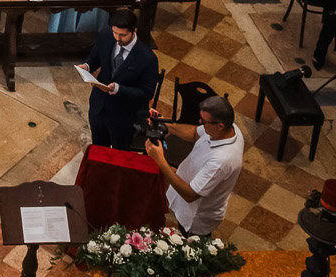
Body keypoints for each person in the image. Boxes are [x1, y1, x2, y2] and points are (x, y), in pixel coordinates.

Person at [145, 95, 244, 235]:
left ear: (220, 126)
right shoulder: (229, 128)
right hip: (188, 192)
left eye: (204, 121)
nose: (199, 123)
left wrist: (160, 160)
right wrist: (167, 125)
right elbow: (194, 134)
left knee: (190, 246)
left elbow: (190, 195)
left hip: (196, 215)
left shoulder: (221, 161)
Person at [83, 17, 160, 151]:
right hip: (99, 106)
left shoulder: (147, 58)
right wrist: (87, 66)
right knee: (99, 148)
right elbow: (95, 57)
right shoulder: (107, 35)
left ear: (134, 31)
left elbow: (146, 93)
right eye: (115, 33)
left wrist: (120, 89)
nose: (117, 38)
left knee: (120, 151)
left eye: (123, 35)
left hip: (124, 115)